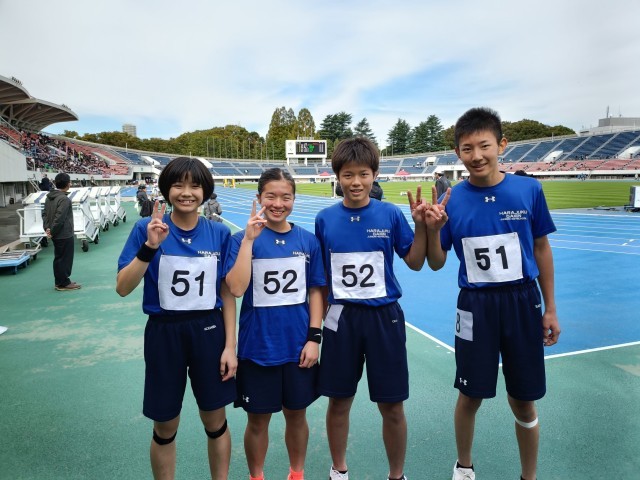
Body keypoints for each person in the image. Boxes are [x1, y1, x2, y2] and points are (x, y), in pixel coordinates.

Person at [423, 107, 561, 480]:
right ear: (458, 153)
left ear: (501, 145)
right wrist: (433, 230)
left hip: (522, 301)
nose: (477, 155)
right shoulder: (452, 199)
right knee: (470, 394)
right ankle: (464, 467)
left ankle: (528, 475)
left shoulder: (528, 190)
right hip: (475, 306)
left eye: (484, 145)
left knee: (524, 399)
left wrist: (550, 308)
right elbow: (436, 262)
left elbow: (541, 249)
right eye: (467, 148)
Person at [116, 157, 237, 480]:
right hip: (164, 333)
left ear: (205, 191)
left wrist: (230, 346)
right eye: (178, 185)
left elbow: (227, 293)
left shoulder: (219, 233)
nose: (186, 193)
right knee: (165, 425)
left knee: (215, 420)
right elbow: (123, 287)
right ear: (166, 190)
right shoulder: (146, 228)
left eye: (195, 186)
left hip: (208, 330)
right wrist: (149, 247)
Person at [314, 137, 428, 480]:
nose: (356, 182)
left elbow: (415, 261)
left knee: (392, 405)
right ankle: (339, 470)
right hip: (341, 318)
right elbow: (320, 279)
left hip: (384, 318)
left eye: (363, 174)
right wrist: (315, 327)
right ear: (337, 176)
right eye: (348, 175)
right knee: (338, 401)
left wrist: (421, 226)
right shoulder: (325, 219)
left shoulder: (390, 214)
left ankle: (397, 475)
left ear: (375, 175)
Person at [226, 168, 325, 480]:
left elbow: (316, 291)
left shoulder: (307, 241)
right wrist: (248, 242)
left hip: (297, 347)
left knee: (296, 415)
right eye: (271, 196)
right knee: (258, 420)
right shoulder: (240, 240)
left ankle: (297, 473)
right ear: (259, 198)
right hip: (257, 348)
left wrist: (314, 338)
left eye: (286, 197)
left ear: (294, 199)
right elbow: (236, 288)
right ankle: (257, 476)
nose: (278, 204)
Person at [42, 173, 81, 291]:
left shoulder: (49, 197)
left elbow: (45, 214)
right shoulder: (64, 199)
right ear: (68, 184)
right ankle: (63, 283)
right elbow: (60, 218)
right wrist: (52, 230)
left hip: (55, 233)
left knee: (59, 258)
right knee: (65, 258)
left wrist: (47, 228)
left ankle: (60, 281)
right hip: (64, 233)